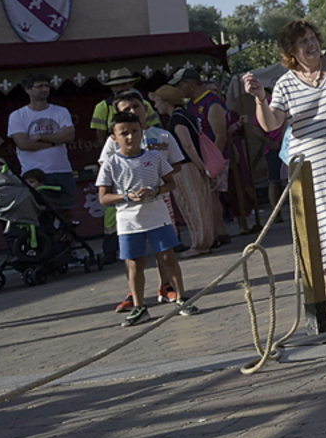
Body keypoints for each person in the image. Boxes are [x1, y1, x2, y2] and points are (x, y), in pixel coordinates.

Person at [242, 20, 326, 305]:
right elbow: (272, 123)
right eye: (303, 42)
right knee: (322, 225)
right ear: (291, 51)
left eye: (312, 38)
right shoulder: (284, 84)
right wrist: (260, 99)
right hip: (310, 168)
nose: (311, 44)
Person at [96, 112, 198, 326]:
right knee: (134, 264)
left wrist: (156, 190)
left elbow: (171, 183)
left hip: (157, 216)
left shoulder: (155, 158)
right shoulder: (111, 163)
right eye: (124, 133)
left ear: (142, 132)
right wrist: (126, 196)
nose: (130, 137)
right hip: (128, 221)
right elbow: (104, 197)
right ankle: (139, 306)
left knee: (168, 257)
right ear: (114, 138)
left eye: (134, 131)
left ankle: (181, 298)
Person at [150, 85, 219, 258]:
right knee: (200, 204)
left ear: (167, 102)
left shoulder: (177, 119)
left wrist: (200, 166)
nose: (155, 106)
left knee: (192, 205)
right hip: (193, 166)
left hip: (187, 167)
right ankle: (203, 240)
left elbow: (187, 145)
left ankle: (200, 243)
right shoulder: (187, 115)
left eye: (157, 101)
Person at [175, 67, 232, 246]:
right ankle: (216, 231)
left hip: (214, 157)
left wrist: (212, 163)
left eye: (180, 85)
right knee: (208, 196)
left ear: (190, 84)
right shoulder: (191, 104)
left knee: (212, 195)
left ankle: (218, 232)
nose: (179, 90)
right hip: (201, 158)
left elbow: (221, 135)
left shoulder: (212, 102)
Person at [7, 74, 76, 214]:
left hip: (62, 170)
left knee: (66, 212)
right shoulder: (18, 115)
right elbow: (23, 144)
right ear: (28, 90)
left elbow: (69, 136)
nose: (44, 89)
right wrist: (55, 140)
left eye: (46, 86)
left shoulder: (60, 111)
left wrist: (40, 136)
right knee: (39, 214)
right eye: (39, 86)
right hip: (34, 173)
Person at [90, 69, 162, 136]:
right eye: (116, 85)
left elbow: (156, 129)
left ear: (131, 84)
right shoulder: (102, 107)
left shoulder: (144, 104)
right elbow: (100, 136)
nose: (120, 88)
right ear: (110, 87)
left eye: (123, 84)